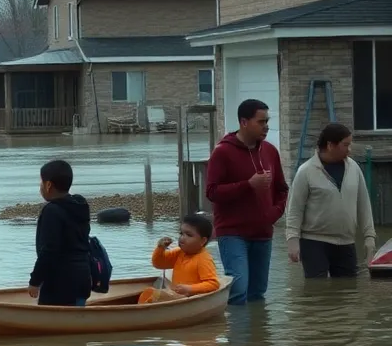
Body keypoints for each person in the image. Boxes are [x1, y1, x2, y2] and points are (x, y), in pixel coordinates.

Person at [205, 99, 289, 305]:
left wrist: (273, 214)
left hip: (263, 233)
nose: (266, 126)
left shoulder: (270, 151)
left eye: (267, 121)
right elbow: (212, 192)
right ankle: (236, 326)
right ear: (244, 122)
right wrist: (248, 185)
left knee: (258, 293)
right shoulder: (222, 152)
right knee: (238, 290)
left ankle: (258, 327)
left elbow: (282, 189)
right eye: (261, 122)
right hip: (232, 232)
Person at [286, 122, 376, 279]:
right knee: (317, 288)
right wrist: (292, 240)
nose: (349, 150)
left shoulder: (354, 168)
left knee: (348, 288)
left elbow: (363, 204)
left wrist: (369, 237)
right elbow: (295, 209)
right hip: (314, 241)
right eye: (345, 145)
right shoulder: (306, 171)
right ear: (330, 145)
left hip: (346, 241)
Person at [27, 159, 92, 307]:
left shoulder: (51, 211)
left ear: (48, 185)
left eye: (41, 182)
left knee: (53, 320)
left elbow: (49, 251)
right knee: (76, 318)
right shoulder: (80, 205)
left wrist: (35, 281)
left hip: (60, 284)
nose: (40, 186)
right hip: (82, 278)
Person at [143, 214, 220, 302]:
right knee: (149, 293)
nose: (182, 238)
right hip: (176, 297)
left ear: (203, 241)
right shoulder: (179, 253)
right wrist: (160, 249)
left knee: (153, 296)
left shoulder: (203, 259)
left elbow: (213, 284)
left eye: (189, 235)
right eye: (181, 233)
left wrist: (190, 289)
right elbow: (159, 264)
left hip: (191, 299)